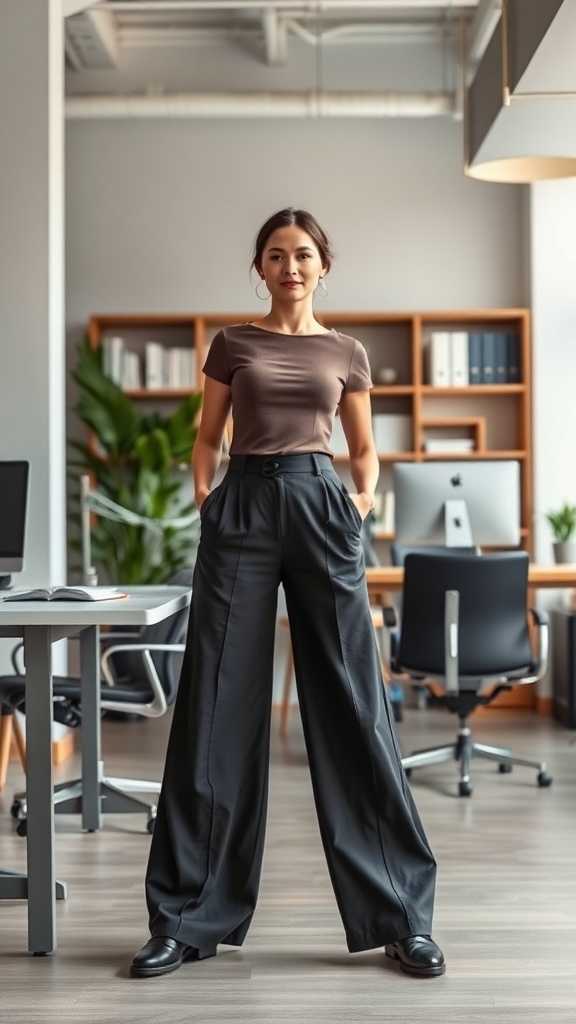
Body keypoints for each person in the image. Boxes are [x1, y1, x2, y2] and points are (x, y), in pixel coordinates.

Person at [130, 208, 445, 980]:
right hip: (242, 505)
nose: (290, 266)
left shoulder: (347, 352)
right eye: (276, 255)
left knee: (354, 704)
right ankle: (184, 918)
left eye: (303, 254)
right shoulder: (232, 344)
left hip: (319, 504)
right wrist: (208, 499)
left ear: (322, 265)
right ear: (260, 268)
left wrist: (358, 505)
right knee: (214, 706)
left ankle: (401, 916)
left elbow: (365, 451)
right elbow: (207, 437)